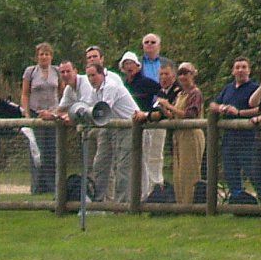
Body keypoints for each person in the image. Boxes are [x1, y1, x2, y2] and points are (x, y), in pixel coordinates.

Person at [71, 58, 143, 202]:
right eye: (89, 76)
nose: (91, 79)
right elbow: (89, 107)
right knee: (100, 164)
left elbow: (103, 111)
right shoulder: (95, 90)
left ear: (102, 74)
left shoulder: (111, 86)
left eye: (94, 75)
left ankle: (122, 205)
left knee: (123, 166)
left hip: (129, 126)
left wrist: (87, 114)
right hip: (110, 126)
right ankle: (99, 202)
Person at [212, 59, 261, 206]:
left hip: (248, 139)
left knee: (254, 174)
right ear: (233, 71)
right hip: (229, 139)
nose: (240, 70)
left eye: (244, 67)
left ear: (249, 70)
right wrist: (221, 108)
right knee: (231, 173)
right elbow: (213, 104)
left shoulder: (255, 88)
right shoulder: (228, 88)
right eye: (237, 67)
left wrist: (239, 112)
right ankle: (238, 203)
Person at [118, 52, 164, 201]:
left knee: (144, 159)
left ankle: (145, 194)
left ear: (138, 66)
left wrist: (151, 111)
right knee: (128, 162)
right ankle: (132, 194)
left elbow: (161, 93)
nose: (129, 67)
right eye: (126, 64)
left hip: (145, 125)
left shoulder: (146, 82)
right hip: (129, 125)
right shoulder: (123, 85)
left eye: (131, 63)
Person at [160, 61, 206, 206]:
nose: (183, 76)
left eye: (186, 73)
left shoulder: (195, 93)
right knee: (178, 174)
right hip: (179, 135)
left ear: (193, 74)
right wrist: (164, 109)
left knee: (189, 172)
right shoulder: (180, 94)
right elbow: (174, 115)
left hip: (191, 134)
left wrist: (169, 106)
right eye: (180, 73)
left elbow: (190, 114)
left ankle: (191, 205)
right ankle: (180, 205)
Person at [20, 42, 59, 193]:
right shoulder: (30, 72)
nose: (44, 57)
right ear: (37, 56)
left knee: (52, 150)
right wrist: (26, 114)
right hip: (36, 113)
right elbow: (25, 93)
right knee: (37, 149)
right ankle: (37, 186)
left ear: (51, 56)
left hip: (53, 114)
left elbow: (62, 91)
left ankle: (52, 185)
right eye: (41, 54)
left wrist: (60, 111)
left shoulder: (56, 71)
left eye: (47, 54)